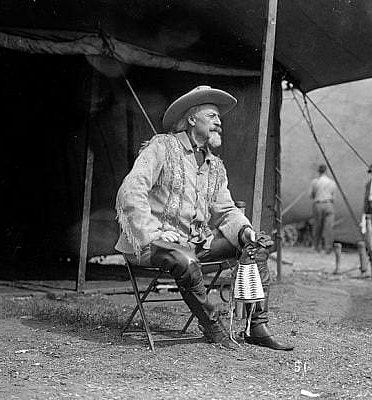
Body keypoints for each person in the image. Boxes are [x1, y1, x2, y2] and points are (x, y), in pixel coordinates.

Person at [115, 85, 293, 351]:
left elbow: (226, 211)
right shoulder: (162, 146)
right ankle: (213, 326)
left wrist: (246, 232)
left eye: (219, 118)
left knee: (254, 247)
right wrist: (153, 232)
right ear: (191, 119)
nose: (219, 122)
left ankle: (257, 326)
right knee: (184, 259)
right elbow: (131, 191)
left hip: (195, 243)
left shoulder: (215, 166)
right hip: (151, 244)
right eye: (212, 116)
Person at [309, 164, 337, 253]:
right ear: (326, 171)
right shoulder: (332, 182)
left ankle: (316, 246)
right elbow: (334, 196)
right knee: (329, 227)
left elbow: (311, 195)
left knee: (318, 226)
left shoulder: (315, 182)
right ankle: (328, 247)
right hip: (329, 204)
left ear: (319, 172)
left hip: (318, 204)